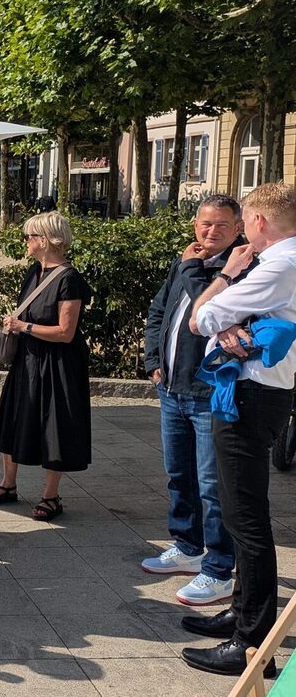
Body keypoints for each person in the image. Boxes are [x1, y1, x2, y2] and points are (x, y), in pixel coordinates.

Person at [181, 182, 296, 678]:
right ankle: (244, 613)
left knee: (246, 520)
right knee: (238, 512)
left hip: (251, 399)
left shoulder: (277, 265)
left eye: (246, 220)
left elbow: (200, 317)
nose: (244, 231)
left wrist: (226, 278)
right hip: (262, 394)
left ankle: (251, 643)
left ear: (261, 222)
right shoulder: (283, 264)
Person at [142, 195, 244, 606]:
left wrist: (190, 266)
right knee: (178, 475)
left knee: (211, 486)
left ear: (238, 228)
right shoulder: (185, 262)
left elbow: (208, 312)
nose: (210, 232)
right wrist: (153, 360)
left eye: (221, 225)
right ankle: (187, 548)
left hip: (206, 394)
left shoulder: (238, 269)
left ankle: (220, 570)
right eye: (205, 224)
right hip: (171, 390)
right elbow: (158, 312)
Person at [0, 210, 92, 521]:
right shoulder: (34, 272)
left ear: (44, 240)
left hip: (57, 364)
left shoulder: (70, 279)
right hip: (27, 360)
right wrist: (17, 324)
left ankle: (51, 496)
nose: (26, 241)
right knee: (12, 420)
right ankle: (8, 485)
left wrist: (23, 327)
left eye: (30, 236)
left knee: (52, 427)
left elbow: (65, 332)